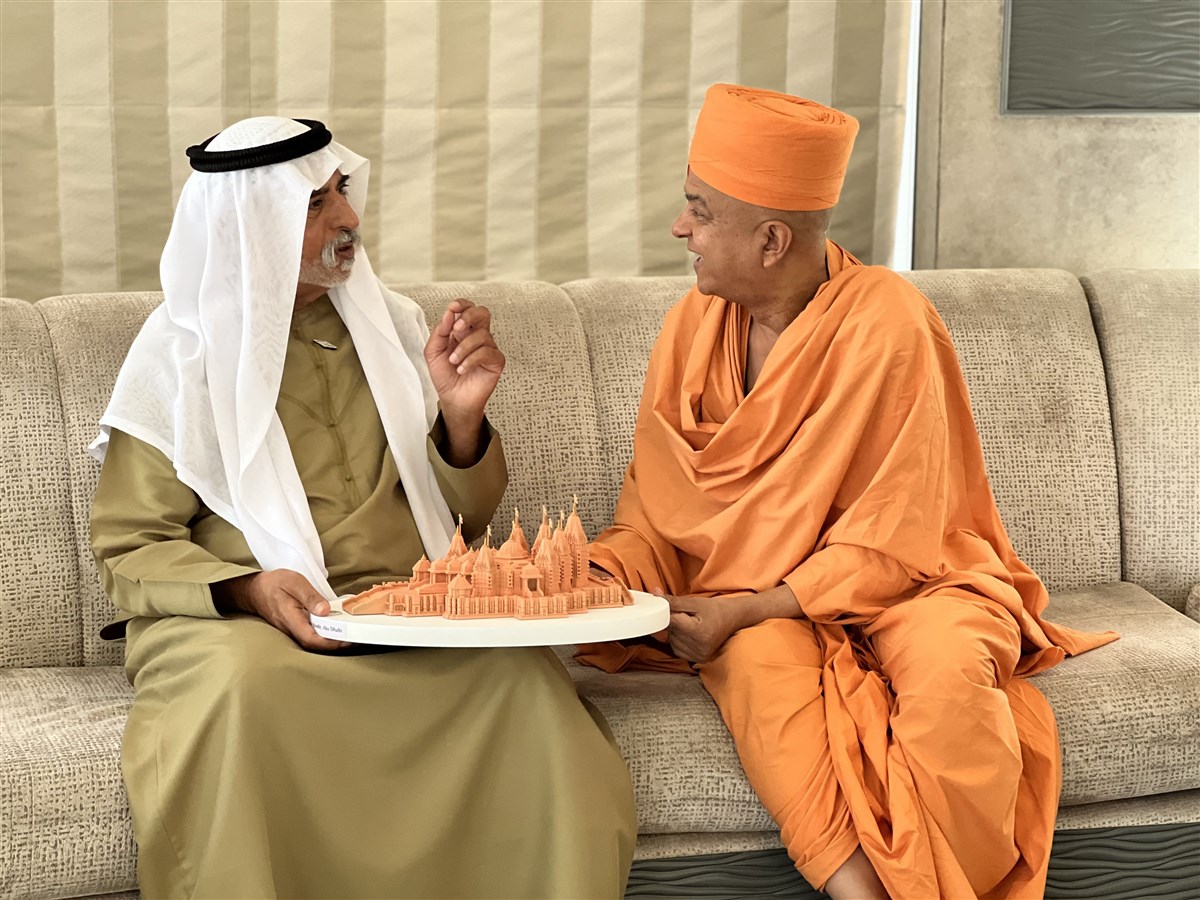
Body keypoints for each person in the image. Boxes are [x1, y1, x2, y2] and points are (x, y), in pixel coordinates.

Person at [577, 84, 1117, 899]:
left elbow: (897, 538)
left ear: (770, 240)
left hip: (915, 585)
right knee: (758, 667)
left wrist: (752, 606)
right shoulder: (691, 328)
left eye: (699, 210)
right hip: (752, 599)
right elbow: (658, 516)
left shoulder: (890, 323)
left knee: (949, 682)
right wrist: (595, 578)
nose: (680, 228)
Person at [90, 116, 635, 898]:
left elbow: (463, 530)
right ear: (251, 224)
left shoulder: (394, 329)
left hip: (401, 609)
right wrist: (250, 589)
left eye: (341, 190)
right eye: (315, 203)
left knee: (525, 685)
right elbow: (129, 548)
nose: (348, 217)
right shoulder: (180, 357)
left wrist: (462, 420)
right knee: (245, 688)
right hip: (247, 624)